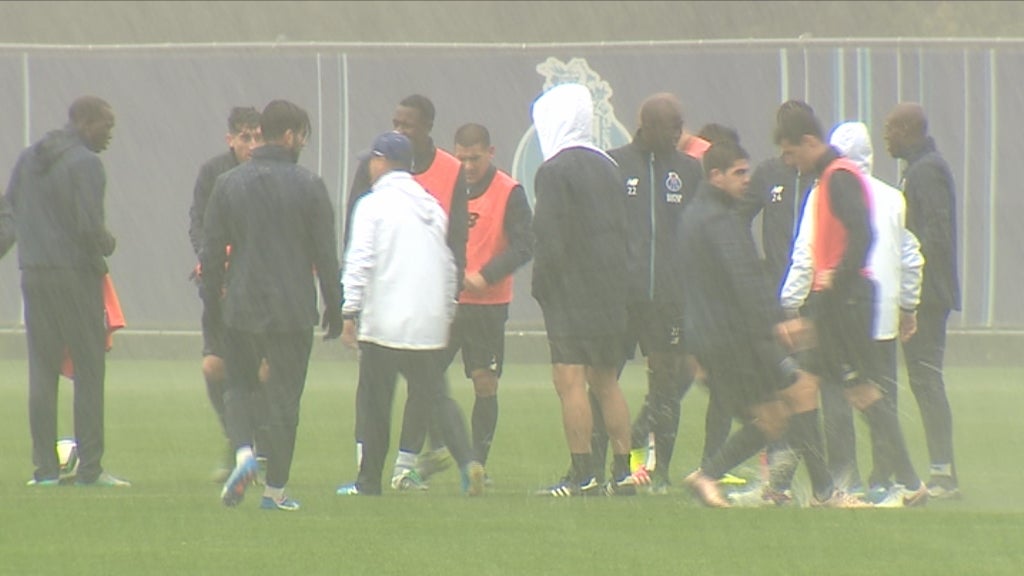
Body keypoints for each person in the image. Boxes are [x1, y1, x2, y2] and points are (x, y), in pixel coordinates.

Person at [736, 121, 925, 507]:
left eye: (790, 153)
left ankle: (909, 484)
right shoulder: (828, 179)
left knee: (861, 392)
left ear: (808, 143)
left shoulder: (838, 179)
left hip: (846, 303)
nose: (789, 163)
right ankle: (797, 488)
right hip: (833, 303)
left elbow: (863, 236)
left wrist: (835, 280)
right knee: (801, 390)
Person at [677, 140, 862, 509]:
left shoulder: (695, 216)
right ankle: (824, 493)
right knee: (800, 393)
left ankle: (712, 476)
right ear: (715, 176)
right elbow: (745, 279)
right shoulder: (720, 221)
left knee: (776, 416)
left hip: (715, 338)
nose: (747, 180)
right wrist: (779, 324)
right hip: (737, 339)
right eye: (739, 173)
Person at [202, 99, 342, 511]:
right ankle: (275, 492)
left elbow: (211, 255)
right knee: (284, 400)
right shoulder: (309, 185)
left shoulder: (228, 183)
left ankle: (244, 452)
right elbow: (325, 255)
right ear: (290, 135)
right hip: (291, 309)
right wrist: (335, 308)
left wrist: (213, 306)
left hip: (241, 304)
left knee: (239, 386)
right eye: (302, 135)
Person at [334, 131, 485, 497]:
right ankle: (468, 462)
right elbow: (449, 262)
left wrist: (349, 310)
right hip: (427, 322)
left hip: (385, 321)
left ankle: (368, 482)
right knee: (436, 395)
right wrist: (447, 309)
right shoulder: (431, 206)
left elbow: (360, 260)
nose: (369, 166)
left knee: (376, 402)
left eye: (372, 159)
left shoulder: (372, 205)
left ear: (384, 162)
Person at [390, 123, 533, 490]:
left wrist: (486, 275)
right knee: (424, 380)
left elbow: (523, 245)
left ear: (491, 152)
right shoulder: (446, 186)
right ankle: (421, 457)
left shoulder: (509, 192)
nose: (467, 165)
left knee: (484, 383)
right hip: (445, 303)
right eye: (462, 158)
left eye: (475, 158)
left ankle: (475, 466)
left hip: (487, 304)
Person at [4, 95, 130, 487]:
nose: (110, 134)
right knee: (89, 370)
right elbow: (87, 227)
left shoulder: (29, 159)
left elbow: (8, 211)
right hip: (74, 277)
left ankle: (44, 470)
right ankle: (90, 468)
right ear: (85, 122)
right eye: (106, 126)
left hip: (35, 273)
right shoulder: (86, 164)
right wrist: (107, 243)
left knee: (42, 370)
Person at [530, 83, 633, 496]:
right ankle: (623, 474)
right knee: (606, 381)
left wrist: (543, 289)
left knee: (569, 380)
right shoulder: (608, 166)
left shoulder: (554, 171)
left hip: (572, 290)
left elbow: (550, 239)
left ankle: (583, 474)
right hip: (611, 288)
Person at [597, 93, 703, 493]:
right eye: (671, 127)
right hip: (622, 297)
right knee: (605, 380)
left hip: (669, 299)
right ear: (648, 125)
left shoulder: (690, 171)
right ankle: (607, 465)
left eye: (680, 127)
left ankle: (657, 472)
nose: (678, 135)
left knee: (665, 385)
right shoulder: (614, 164)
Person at [187, 106, 271, 483]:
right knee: (214, 366)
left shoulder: (271, 173)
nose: (252, 145)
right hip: (220, 289)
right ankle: (237, 438)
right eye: (245, 138)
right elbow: (199, 224)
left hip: (260, 290)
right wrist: (212, 265)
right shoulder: (213, 173)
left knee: (263, 370)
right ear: (231, 139)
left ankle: (256, 446)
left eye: (258, 137)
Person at [884, 102, 962, 499]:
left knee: (927, 379)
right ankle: (939, 471)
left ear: (909, 129)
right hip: (925, 293)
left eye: (891, 129)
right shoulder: (918, 168)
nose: (886, 136)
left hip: (927, 297)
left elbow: (934, 233)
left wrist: (912, 287)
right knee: (922, 379)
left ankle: (943, 475)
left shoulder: (926, 171)